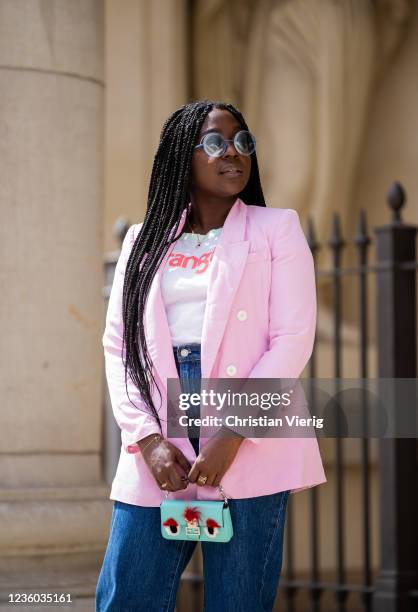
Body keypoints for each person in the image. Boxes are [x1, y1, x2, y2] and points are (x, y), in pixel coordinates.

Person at [95, 99, 326, 612]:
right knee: (128, 596)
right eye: (217, 142)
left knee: (238, 601)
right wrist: (148, 439)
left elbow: (292, 339)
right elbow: (120, 345)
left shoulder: (276, 229)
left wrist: (233, 431)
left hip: (250, 431)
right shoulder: (142, 240)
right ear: (183, 154)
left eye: (244, 142)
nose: (235, 153)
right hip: (160, 429)